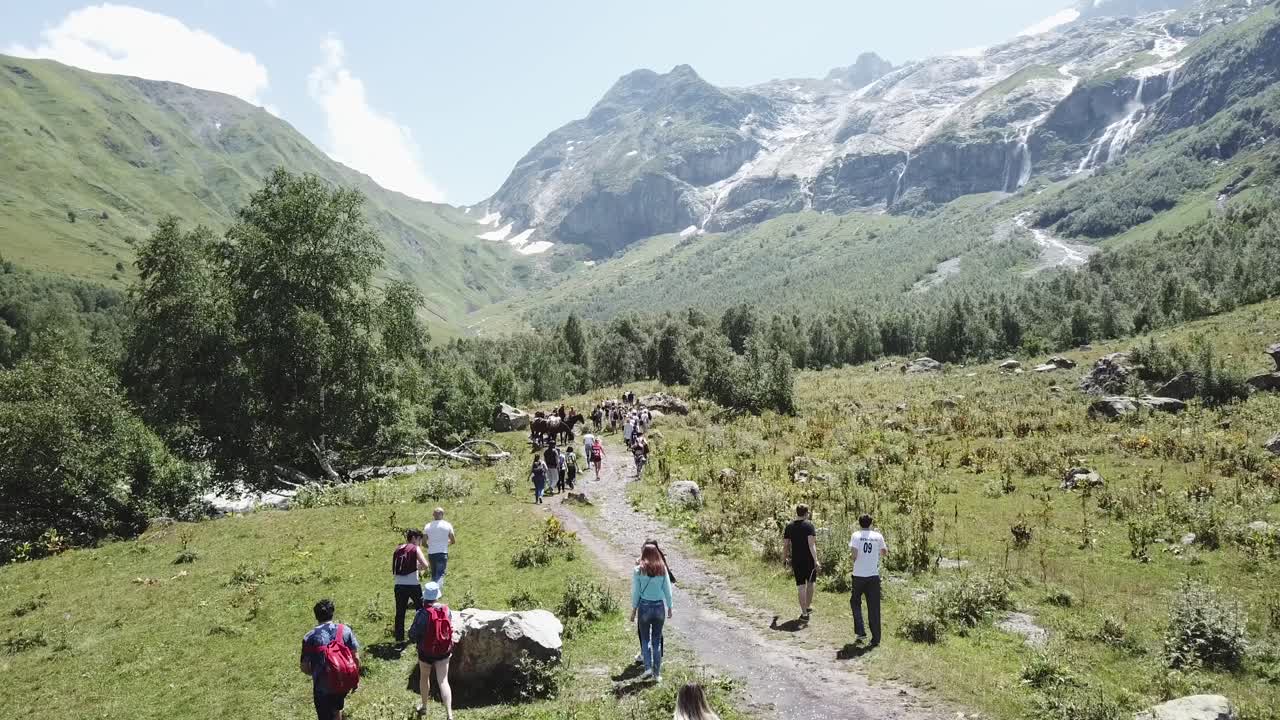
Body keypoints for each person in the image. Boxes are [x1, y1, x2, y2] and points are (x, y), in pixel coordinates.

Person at [301, 599, 361, 720]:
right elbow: (355, 657)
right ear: (332, 613)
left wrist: (315, 671)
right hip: (342, 682)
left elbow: (305, 667)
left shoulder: (309, 637)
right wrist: (355, 679)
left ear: (316, 616)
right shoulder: (345, 630)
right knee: (337, 709)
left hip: (322, 686)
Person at [408, 582, 454, 720]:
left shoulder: (421, 613)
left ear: (425, 597)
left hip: (426, 652)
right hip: (443, 651)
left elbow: (413, 634)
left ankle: (424, 707)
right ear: (437, 596)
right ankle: (449, 715)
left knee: (424, 677)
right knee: (443, 681)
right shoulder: (446, 610)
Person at [631, 543, 673, 683]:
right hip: (659, 607)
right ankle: (657, 674)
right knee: (656, 640)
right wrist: (670, 607)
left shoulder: (638, 570)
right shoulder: (662, 569)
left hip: (644, 607)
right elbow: (668, 590)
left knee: (645, 639)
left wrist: (634, 608)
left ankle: (647, 667)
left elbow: (636, 592)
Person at [849, 514, 890, 646]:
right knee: (874, 607)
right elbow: (884, 552)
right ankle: (876, 638)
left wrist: (854, 559)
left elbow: (854, 554)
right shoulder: (877, 536)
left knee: (855, 601)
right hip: (873, 575)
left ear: (859, 523)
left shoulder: (856, 535)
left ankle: (860, 630)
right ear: (871, 523)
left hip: (859, 575)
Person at [783, 505, 820, 621]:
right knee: (810, 582)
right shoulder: (809, 526)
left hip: (796, 560)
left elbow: (786, 545)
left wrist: (784, 558)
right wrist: (816, 560)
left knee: (800, 586)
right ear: (806, 513)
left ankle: (804, 613)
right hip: (808, 560)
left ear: (797, 512)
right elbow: (811, 544)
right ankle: (807, 606)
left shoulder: (789, 526)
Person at [393, 530, 429, 644]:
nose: (419, 543)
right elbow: (425, 565)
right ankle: (422, 634)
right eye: (419, 539)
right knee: (421, 610)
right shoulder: (415, 548)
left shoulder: (398, 549)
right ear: (414, 538)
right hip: (413, 584)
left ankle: (399, 640)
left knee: (400, 612)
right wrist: (417, 567)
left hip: (399, 584)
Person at [424, 508, 455, 586]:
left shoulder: (428, 526)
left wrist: (430, 546)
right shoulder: (447, 525)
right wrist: (446, 544)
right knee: (440, 575)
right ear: (442, 514)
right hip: (442, 553)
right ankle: (437, 593)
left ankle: (431, 594)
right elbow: (453, 540)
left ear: (433, 515)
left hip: (431, 554)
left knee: (434, 575)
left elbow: (423, 542)